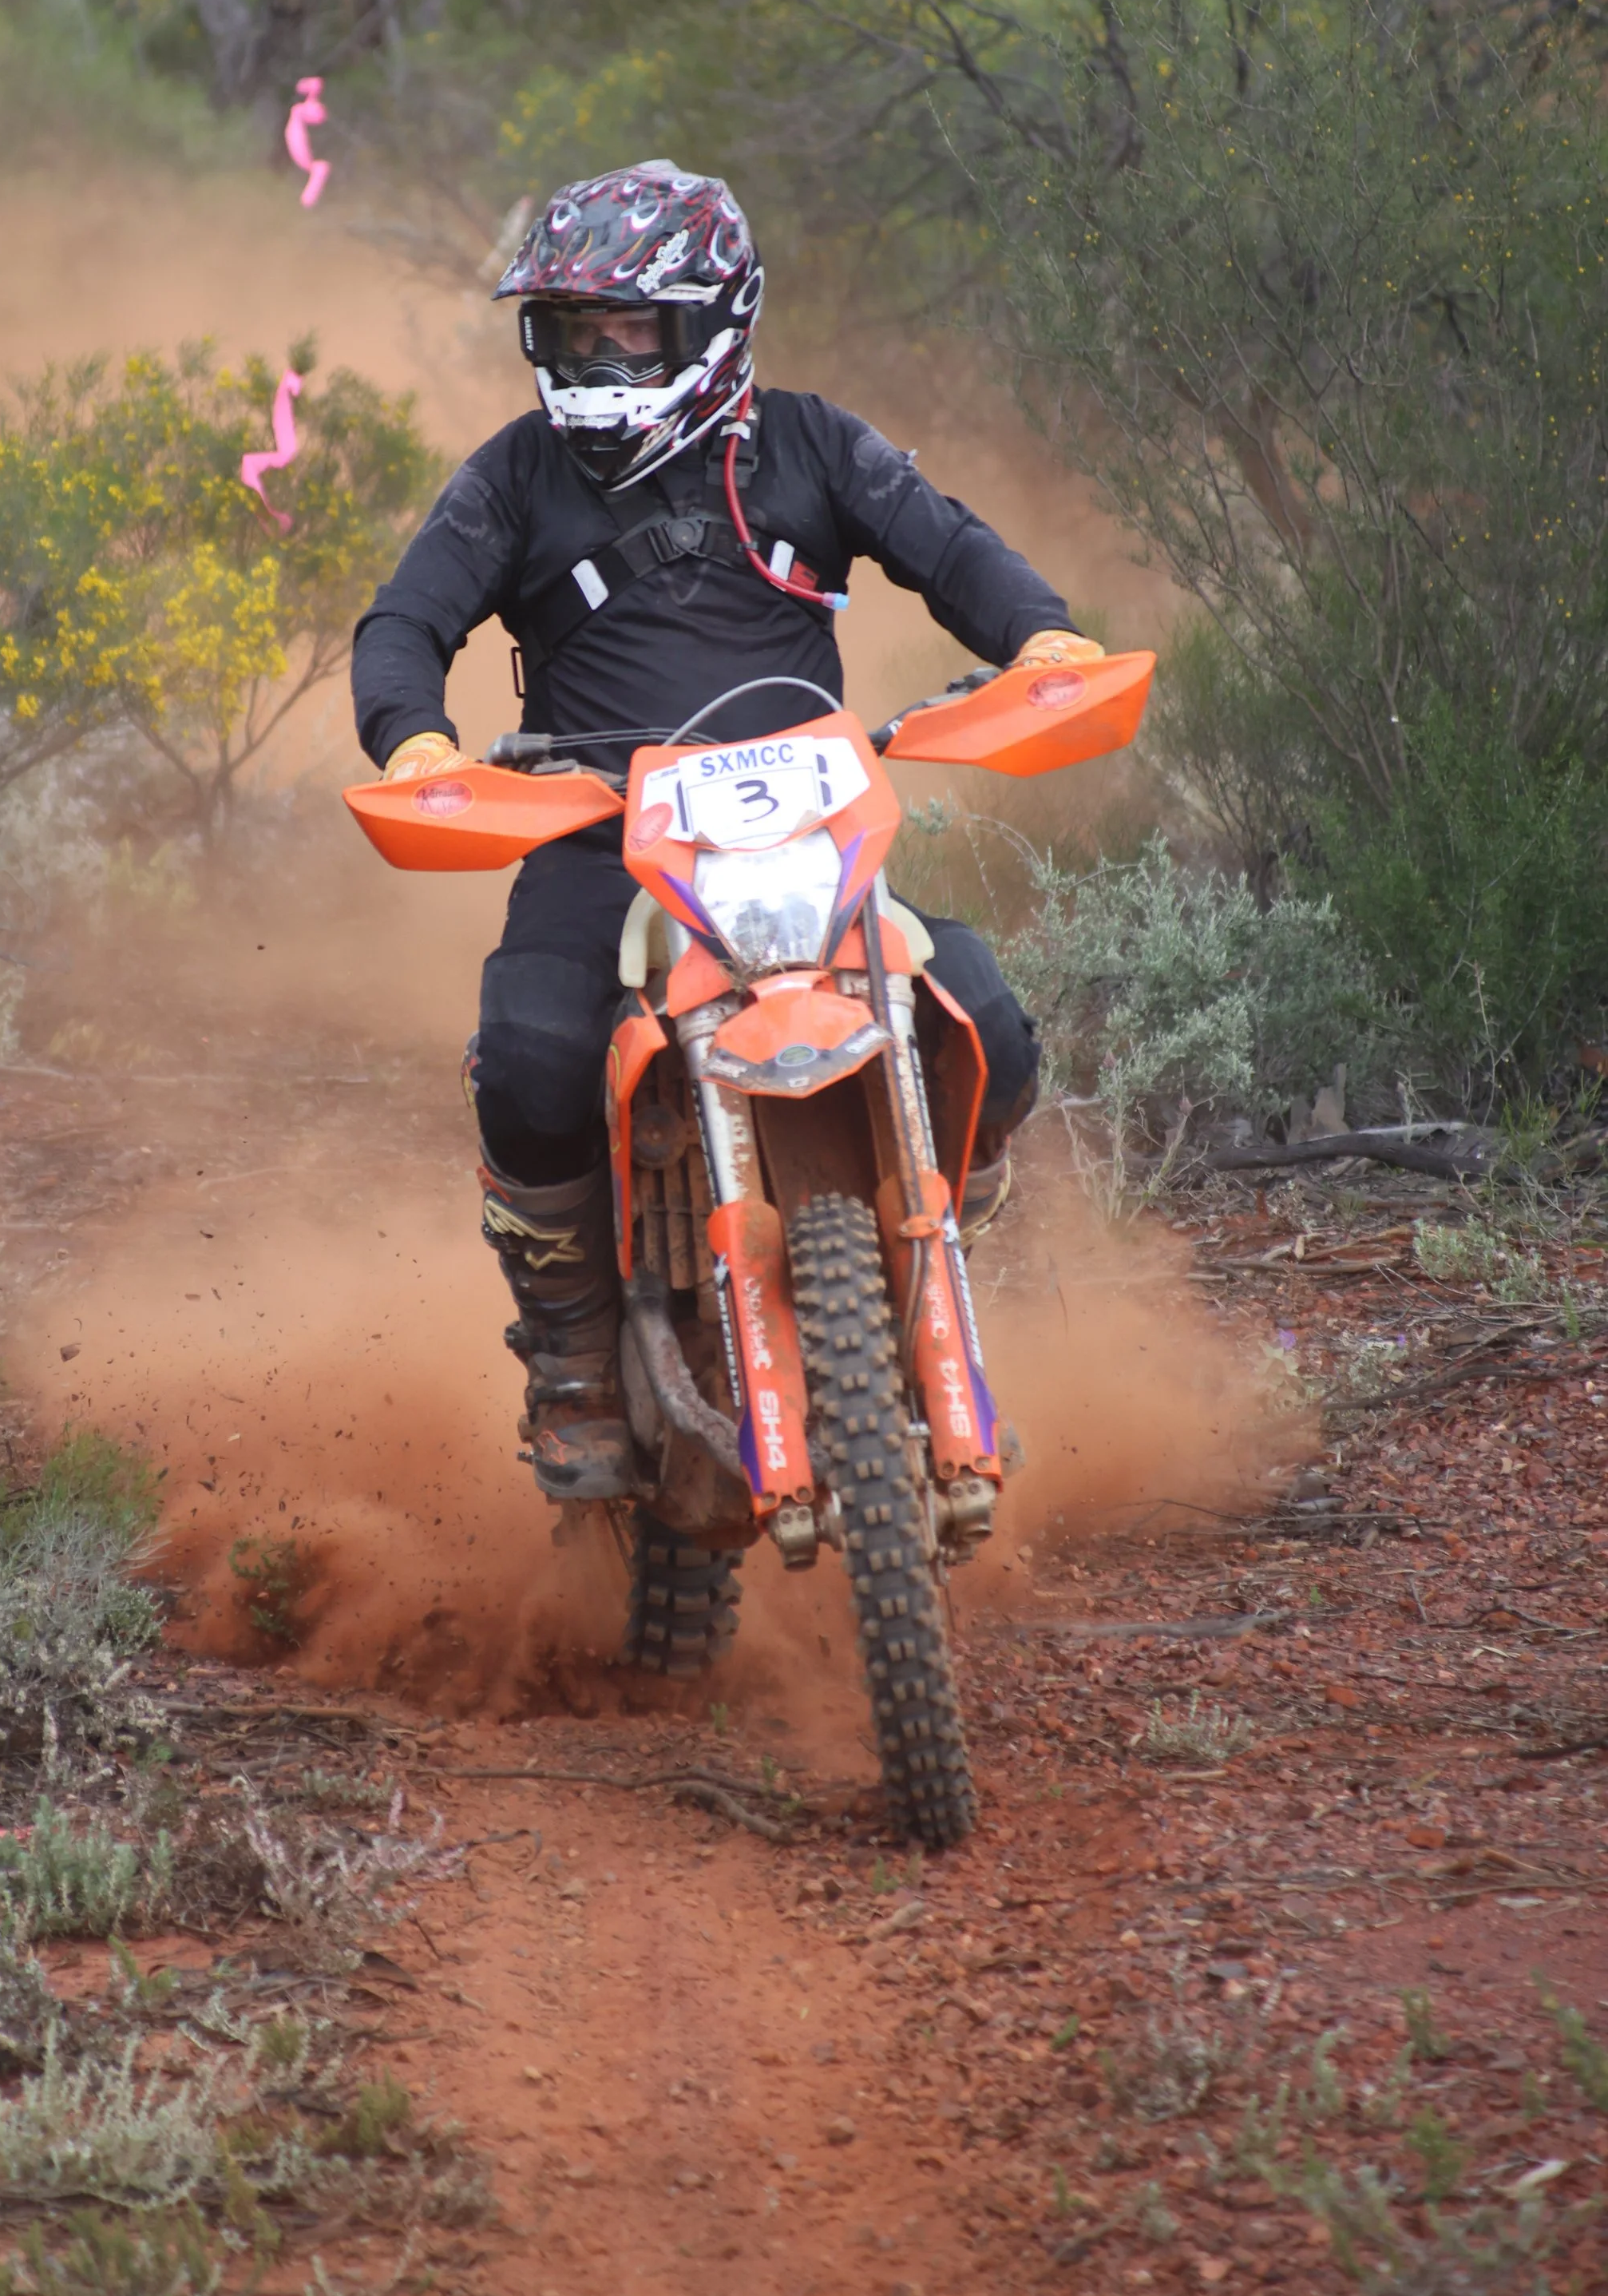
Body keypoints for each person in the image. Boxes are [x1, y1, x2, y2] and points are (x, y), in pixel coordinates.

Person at [351, 161, 1101, 1503]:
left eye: (624, 329)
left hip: (811, 826)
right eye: (569, 331)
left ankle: (939, 1245)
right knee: (528, 1053)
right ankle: (576, 1355)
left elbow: (952, 546)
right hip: (600, 835)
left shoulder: (810, 442)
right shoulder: (519, 476)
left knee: (983, 1011)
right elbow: (404, 619)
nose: (593, 359)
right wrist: (415, 734)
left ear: (715, 322)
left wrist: (1037, 633)